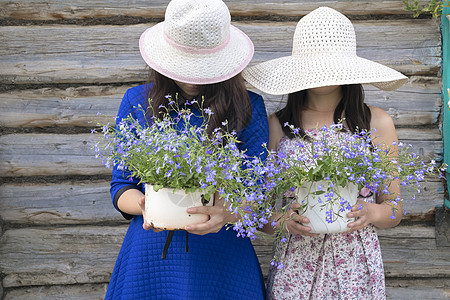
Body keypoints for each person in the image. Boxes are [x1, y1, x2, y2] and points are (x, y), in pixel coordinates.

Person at [242, 7, 408, 300]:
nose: (322, 71)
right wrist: (283, 221)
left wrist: (370, 212)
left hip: (355, 264)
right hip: (296, 263)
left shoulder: (376, 122)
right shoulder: (278, 125)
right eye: (314, 64)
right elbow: (262, 213)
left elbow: (394, 208)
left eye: (331, 63)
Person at [106, 0, 268, 299]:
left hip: (223, 254)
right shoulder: (137, 101)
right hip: (153, 254)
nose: (190, 78)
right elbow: (121, 187)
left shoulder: (248, 106)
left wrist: (226, 214)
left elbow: (256, 194)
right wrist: (147, 206)